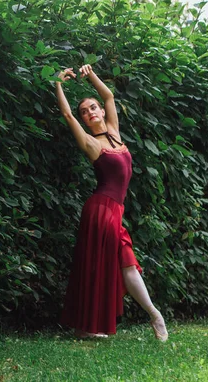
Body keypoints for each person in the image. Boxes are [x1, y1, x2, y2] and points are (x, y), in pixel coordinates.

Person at [55, 64, 168, 341]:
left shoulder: (115, 132)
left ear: (101, 112)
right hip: (101, 210)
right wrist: (57, 83)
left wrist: (90, 75)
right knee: (125, 263)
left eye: (93, 107)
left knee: (105, 265)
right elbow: (67, 114)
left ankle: (85, 328)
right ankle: (156, 316)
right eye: (85, 111)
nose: (90, 112)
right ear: (84, 119)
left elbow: (109, 96)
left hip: (114, 210)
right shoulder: (92, 143)